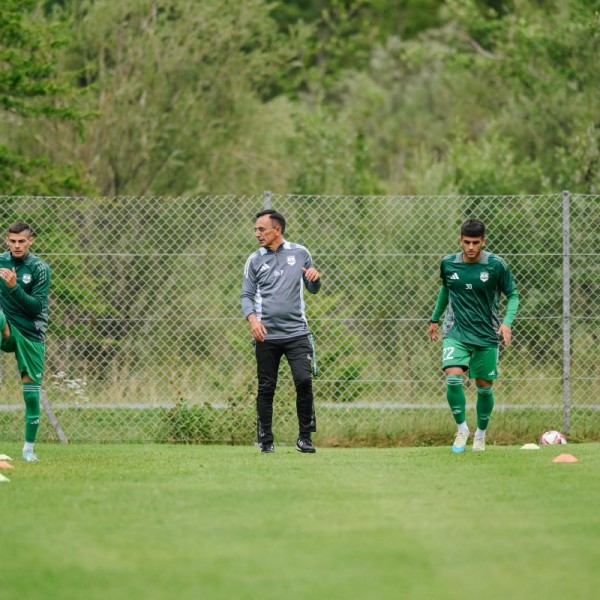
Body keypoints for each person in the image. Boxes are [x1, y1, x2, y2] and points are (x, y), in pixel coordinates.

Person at [428, 219, 518, 453]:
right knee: (453, 378)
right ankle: (461, 429)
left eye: (475, 243)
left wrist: (507, 323)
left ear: (483, 242)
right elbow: (446, 290)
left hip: (486, 335)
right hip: (456, 332)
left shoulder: (496, 265)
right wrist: (434, 319)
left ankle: (480, 435)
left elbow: (513, 295)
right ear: (460, 240)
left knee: (484, 387)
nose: (470, 247)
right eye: (466, 242)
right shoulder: (448, 264)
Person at [241, 209, 322, 454]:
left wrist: (315, 278)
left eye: (261, 229)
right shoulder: (254, 260)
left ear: (277, 230)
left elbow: (313, 288)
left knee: (304, 381)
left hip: (297, 333)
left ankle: (305, 438)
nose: (257, 234)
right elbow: (246, 296)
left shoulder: (300, 253)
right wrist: (253, 321)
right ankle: (266, 440)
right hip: (266, 335)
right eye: (255, 229)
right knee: (266, 387)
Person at [0, 221, 51, 462]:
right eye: (13, 241)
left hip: (31, 333)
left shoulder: (40, 268)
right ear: (7, 240)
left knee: (31, 394)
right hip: (5, 327)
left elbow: (36, 307)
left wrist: (14, 287)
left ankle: (28, 450)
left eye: (22, 241)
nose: (17, 245)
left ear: (30, 241)